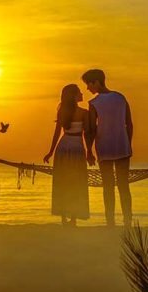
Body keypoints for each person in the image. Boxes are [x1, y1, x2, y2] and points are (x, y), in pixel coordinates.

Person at [82, 69, 133, 227]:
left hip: (104, 147)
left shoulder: (94, 103)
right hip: (122, 146)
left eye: (88, 84)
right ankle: (127, 220)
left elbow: (90, 130)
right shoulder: (120, 97)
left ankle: (110, 221)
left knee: (108, 186)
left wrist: (89, 151)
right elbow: (129, 123)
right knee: (124, 185)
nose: (87, 88)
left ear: (96, 82)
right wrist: (128, 143)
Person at [43, 84, 90, 226]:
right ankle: (73, 218)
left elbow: (57, 133)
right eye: (79, 92)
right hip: (76, 150)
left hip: (63, 148)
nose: (82, 94)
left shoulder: (62, 112)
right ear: (74, 95)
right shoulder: (84, 113)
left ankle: (64, 217)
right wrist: (90, 152)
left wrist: (51, 151)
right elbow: (87, 135)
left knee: (62, 181)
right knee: (76, 182)